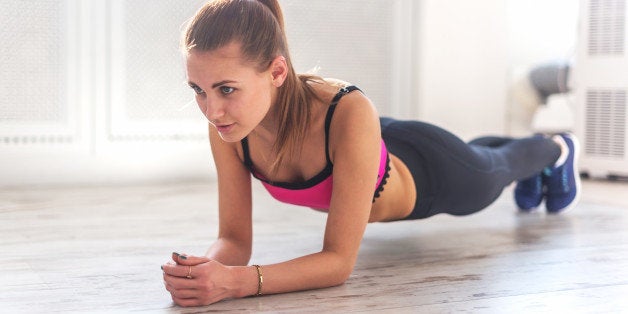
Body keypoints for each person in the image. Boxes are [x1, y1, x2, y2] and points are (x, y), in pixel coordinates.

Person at [161, 0, 580, 307]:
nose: (211, 109)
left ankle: (556, 148)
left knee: (493, 170)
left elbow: (338, 262)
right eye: (198, 90)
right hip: (368, 144)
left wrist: (236, 283)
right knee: (482, 154)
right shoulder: (229, 128)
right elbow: (234, 240)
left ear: (276, 72)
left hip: (428, 173)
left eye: (226, 89)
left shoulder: (346, 109)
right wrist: (204, 270)